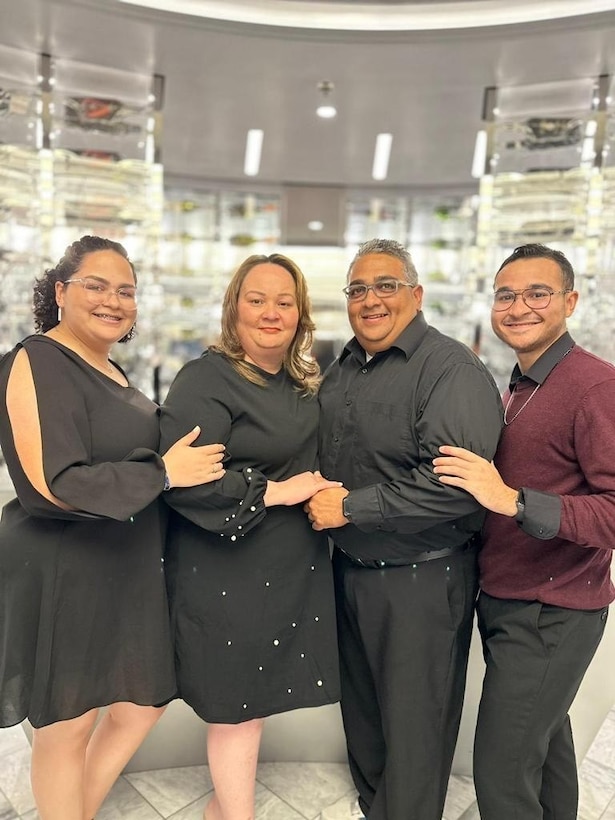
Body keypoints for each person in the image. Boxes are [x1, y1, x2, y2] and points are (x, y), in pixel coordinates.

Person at [0, 235, 227, 820]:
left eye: (126, 290)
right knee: (67, 725)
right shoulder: (35, 358)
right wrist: (165, 472)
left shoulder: (107, 366)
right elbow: (52, 484)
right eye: (96, 286)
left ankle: (77, 809)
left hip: (121, 563)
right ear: (60, 292)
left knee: (139, 703)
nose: (113, 300)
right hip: (65, 567)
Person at [306, 238, 504, 820]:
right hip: (350, 571)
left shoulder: (451, 370)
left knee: (416, 724)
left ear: (415, 295)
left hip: (422, 578)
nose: (371, 300)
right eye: (358, 289)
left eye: (386, 286)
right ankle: (376, 807)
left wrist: (351, 510)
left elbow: (453, 486)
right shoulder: (342, 368)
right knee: (364, 715)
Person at [433, 242, 615, 820]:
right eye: (506, 295)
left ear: (570, 301)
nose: (519, 307)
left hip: (553, 611)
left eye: (538, 293)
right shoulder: (519, 384)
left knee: (504, 772)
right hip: (514, 601)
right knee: (547, 752)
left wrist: (509, 500)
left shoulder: (594, 387)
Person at [159, 253, 342, 820]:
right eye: (256, 299)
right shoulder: (204, 380)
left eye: (284, 302)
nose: (271, 312)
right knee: (235, 706)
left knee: (251, 702)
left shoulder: (301, 380)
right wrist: (276, 492)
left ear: (301, 313)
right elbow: (185, 484)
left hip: (283, 568)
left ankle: (223, 808)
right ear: (233, 307)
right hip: (226, 567)